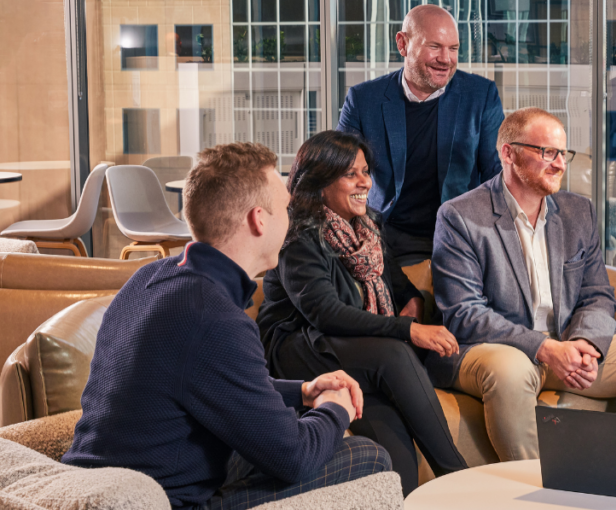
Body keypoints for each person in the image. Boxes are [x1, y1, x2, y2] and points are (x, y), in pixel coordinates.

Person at [63, 143, 391, 510]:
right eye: (286, 208)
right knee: (368, 456)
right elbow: (294, 457)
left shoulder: (151, 278)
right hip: (164, 501)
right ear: (258, 219)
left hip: (103, 478)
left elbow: (213, 381)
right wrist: (335, 407)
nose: (293, 218)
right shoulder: (213, 317)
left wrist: (304, 390)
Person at [429, 107, 616, 461]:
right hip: (495, 349)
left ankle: (611, 478)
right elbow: (465, 314)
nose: (560, 164)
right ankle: (539, 492)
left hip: (563, 344)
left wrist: (586, 343)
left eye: (563, 154)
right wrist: (545, 348)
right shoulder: (460, 216)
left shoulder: (577, 212)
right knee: (511, 369)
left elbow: (597, 293)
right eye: (547, 152)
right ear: (509, 153)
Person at [257, 131, 468, 496]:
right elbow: (325, 312)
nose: (364, 182)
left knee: (397, 465)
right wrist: (407, 329)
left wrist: (413, 304)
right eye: (350, 174)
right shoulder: (297, 237)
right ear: (320, 182)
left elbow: (400, 286)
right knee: (395, 350)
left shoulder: (369, 227)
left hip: (357, 353)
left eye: (366, 171)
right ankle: (461, 481)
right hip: (301, 347)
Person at [336, 4, 504, 266]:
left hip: (462, 233)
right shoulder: (363, 100)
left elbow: (497, 174)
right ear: (402, 44)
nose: (446, 59)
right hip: (389, 235)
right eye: (434, 46)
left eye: (453, 49)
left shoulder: (481, 96)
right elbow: (340, 174)